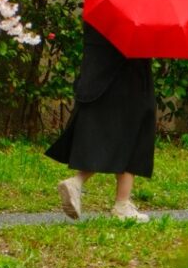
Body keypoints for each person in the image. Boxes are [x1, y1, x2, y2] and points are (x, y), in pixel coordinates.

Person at [46, 22, 156, 222]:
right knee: (136, 130)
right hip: (129, 72)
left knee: (116, 133)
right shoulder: (136, 10)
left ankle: (89, 188)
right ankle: (119, 203)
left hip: (98, 75)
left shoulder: (102, 4)